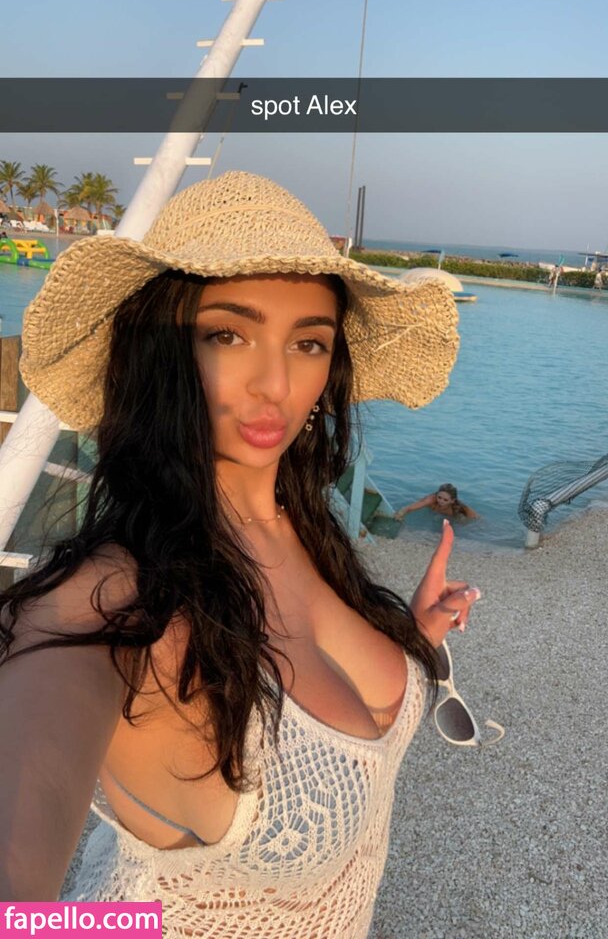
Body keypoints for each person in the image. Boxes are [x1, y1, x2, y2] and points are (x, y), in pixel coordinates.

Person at [0, 172, 481, 934]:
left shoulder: (307, 530)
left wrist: (408, 642)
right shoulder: (111, 600)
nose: (276, 384)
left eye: (309, 343)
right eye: (228, 334)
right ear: (161, 352)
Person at [394, 483, 480, 521]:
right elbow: (410, 508)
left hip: (451, 517)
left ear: (452, 501)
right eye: (439, 497)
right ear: (436, 495)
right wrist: (401, 513)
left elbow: (476, 518)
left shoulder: (459, 507)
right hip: (433, 512)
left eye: (445, 500)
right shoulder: (431, 499)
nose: (441, 501)